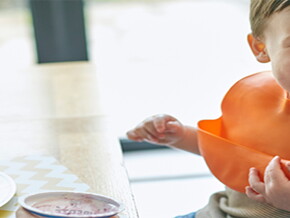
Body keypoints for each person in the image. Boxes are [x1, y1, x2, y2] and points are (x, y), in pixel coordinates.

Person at [127, 1, 290, 217]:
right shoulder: (260, 99)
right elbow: (233, 151)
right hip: (218, 212)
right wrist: (179, 135)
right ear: (261, 48)